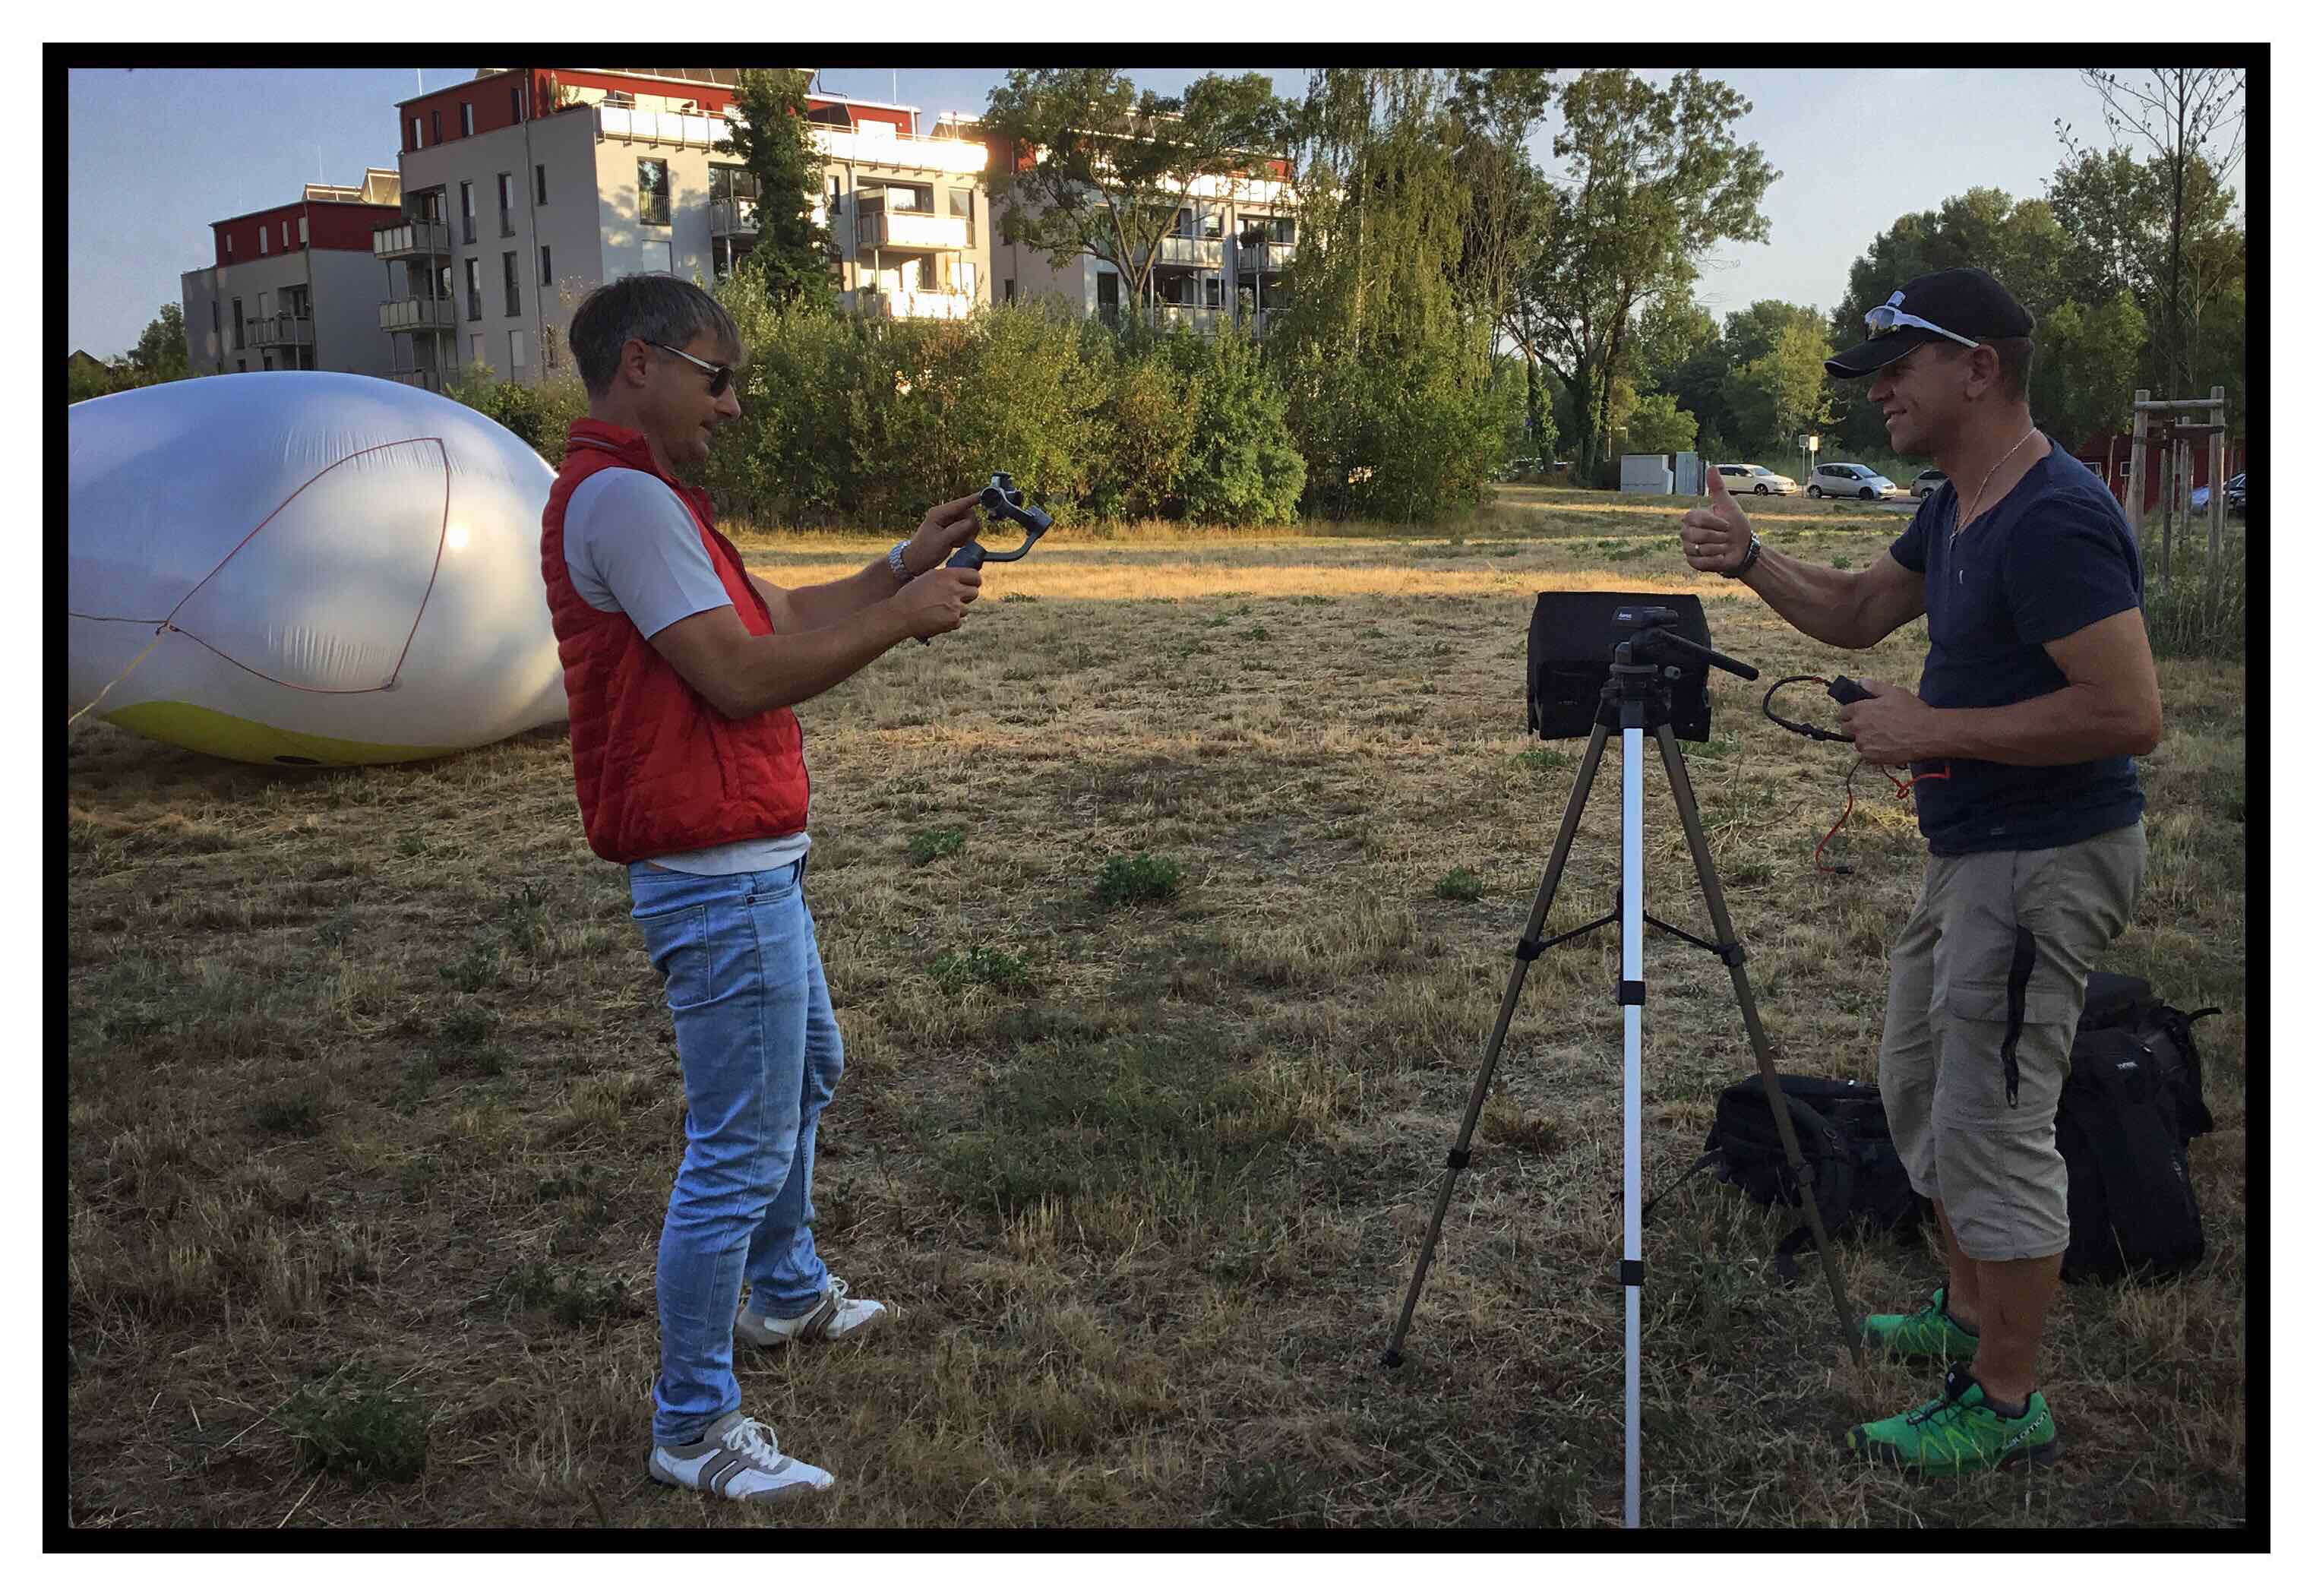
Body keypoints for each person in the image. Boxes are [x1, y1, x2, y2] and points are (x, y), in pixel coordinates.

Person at [1677, 267, 2163, 1477]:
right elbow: (1852, 615)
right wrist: (1748, 562)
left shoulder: (2051, 513)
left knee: (1994, 1123)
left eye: (1898, 368)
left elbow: (2128, 711)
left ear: (1978, 369)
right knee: (1915, 1088)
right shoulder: (1956, 506)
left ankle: (2004, 1401)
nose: (1877, 391)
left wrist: (1929, 727)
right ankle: (1960, 1313)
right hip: (1973, 854)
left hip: (2046, 859)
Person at [539, 274, 988, 1503]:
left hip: (749, 864)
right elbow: (739, 676)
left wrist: (905, 560)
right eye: (717, 376)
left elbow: (779, 610)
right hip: (714, 879)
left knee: (812, 1070)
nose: (730, 405)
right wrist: (902, 619)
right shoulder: (622, 498)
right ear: (643, 364)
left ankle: (784, 1291)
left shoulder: (654, 499)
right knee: (736, 1148)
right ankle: (692, 1420)